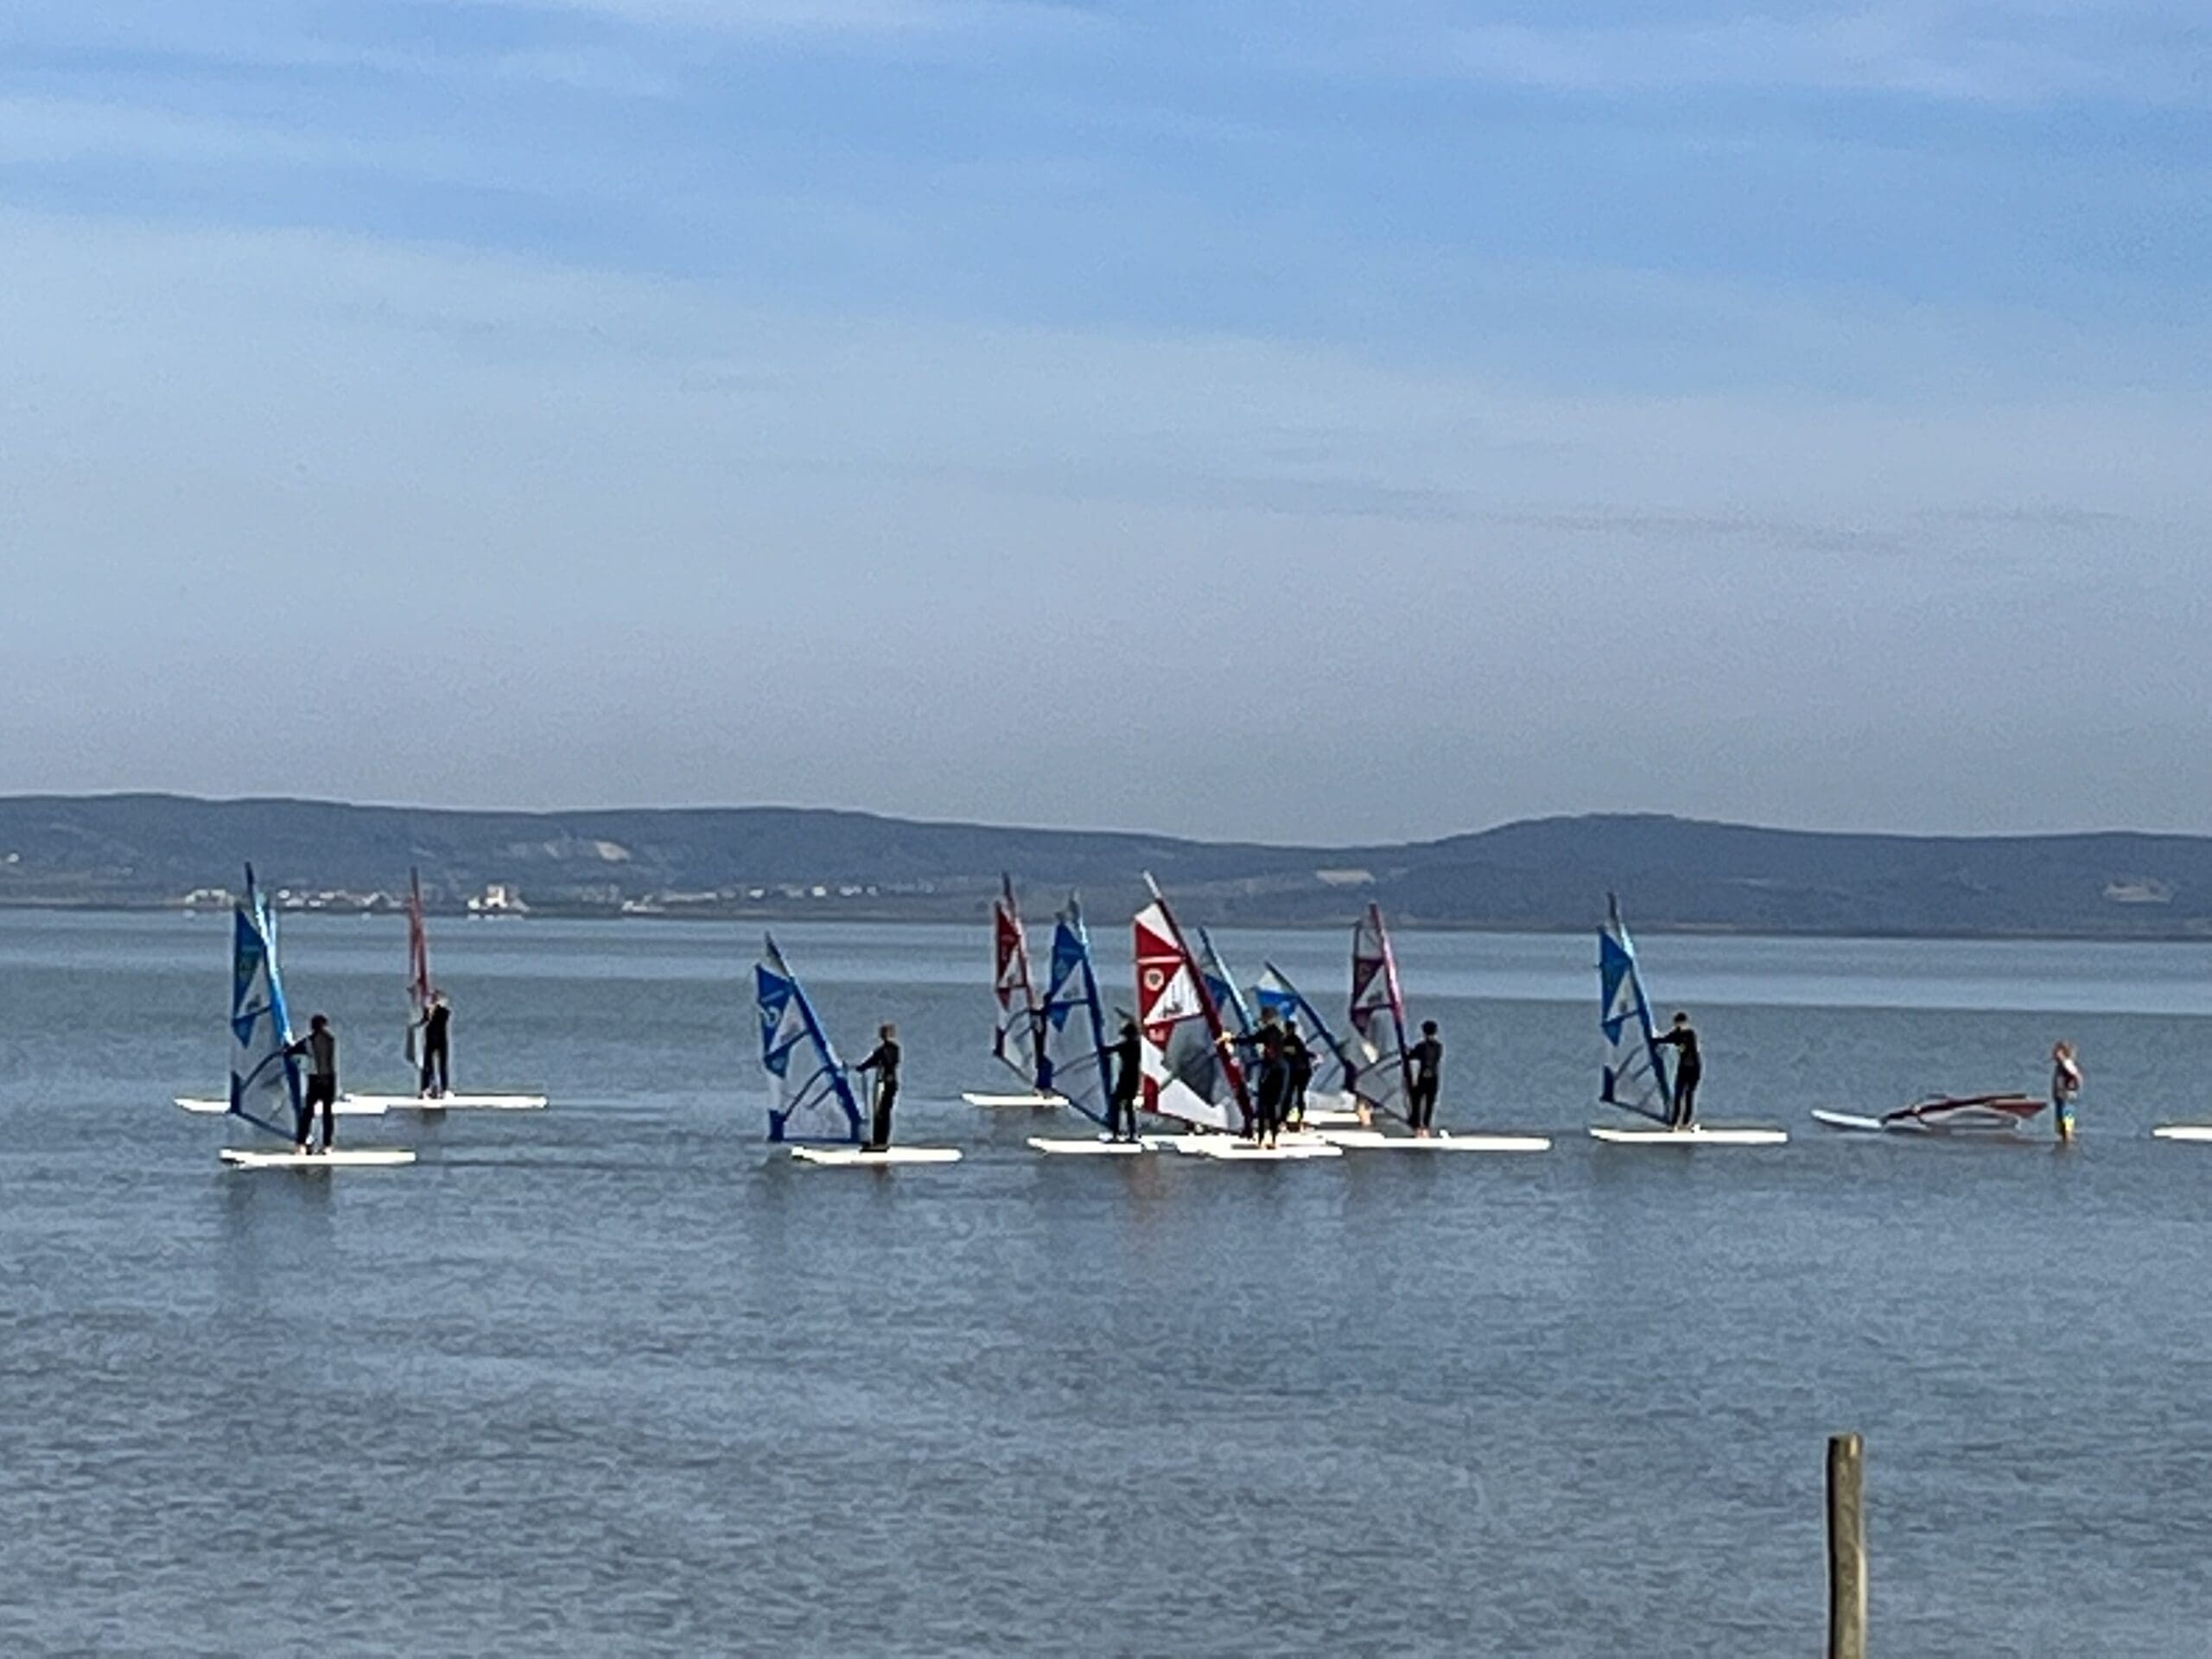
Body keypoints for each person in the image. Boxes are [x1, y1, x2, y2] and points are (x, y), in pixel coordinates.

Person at [1226, 1007, 1289, 1147]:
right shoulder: (1280, 1033)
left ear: (1267, 1018)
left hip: (1270, 1070)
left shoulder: (1268, 1032)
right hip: (1282, 1070)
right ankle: (1273, 1139)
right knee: (1273, 1106)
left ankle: (1261, 1139)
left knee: (1263, 1105)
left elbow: (1251, 1040)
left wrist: (1232, 1040)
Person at [284, 1014, 339, 1154]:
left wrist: (288, 1048)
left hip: (316, 1079)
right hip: (329, 1079)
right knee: (327, 1113)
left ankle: (301, 1143)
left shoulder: (309, 1041)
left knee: (308, 1113)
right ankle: (327, 1145)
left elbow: (290, 1051)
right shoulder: (330, 1040)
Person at [854, 1023, 901, 1151]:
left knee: (883, 1113)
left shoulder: (892, 1049)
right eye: (882, 1033)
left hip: (889, 1084)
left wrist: (878, 1060)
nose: (883, 1036)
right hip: (882, 1083)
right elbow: (870, 1062)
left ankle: (882, 1142)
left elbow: (891, 1062)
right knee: (879, 1113)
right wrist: (859, 1068)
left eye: (885, 1033)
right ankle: (877, 1141)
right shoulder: (882, 1050)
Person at [1655, 1011, 1701, 1129]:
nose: (1678, 1025)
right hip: (1683, 1069)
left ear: (1685, 1022)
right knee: (1678, 1096)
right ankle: (1674, 1123)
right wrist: (1653, 1038)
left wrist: (1679, 1044)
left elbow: (1690, 1047)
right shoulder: (1676, 1033)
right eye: (1676, 1023)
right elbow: (1663, 1040)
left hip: (1694, 1069)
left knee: (1689, 1095)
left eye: (1680, 1023)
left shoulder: (1690, 1034)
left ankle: (1686, 1123)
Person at [1107, 1018, 1142, 1142]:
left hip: (1126, 1077)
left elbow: (1108, 1050)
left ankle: (1115, 1133)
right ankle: (1132, 1133)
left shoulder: (1126, 1045)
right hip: (1134, 1078)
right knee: (1129, 1106)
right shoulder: (1138, 1046)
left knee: (1115, 1103)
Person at [1406, 1020, 1443, 1137]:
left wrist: (1407, 1052)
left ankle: (1418, 1127)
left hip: (1424, 1078)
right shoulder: (1439, 1047)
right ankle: (1425, 1128)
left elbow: (1411, 1057)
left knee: (1416, 1102)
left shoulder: (1421, 1047)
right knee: (1429, 1104)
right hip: (1433, 1078)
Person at [418, 991, 452, 1100]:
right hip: (430, 1041)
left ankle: (444, 1089)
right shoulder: (428, 1011)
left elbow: (444, 1017)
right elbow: (424, 1021)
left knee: (442, 1065)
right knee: (427, 1066)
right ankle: (426, 1088)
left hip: (441, 1041)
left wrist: (435, 1009)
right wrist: (429, 1011)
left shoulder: (443, 1012)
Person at [1283, 1016, 1313, 1131]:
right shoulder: (1295, 1040)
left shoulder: (1289, 1040)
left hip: (1295, 1072)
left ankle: (1291, 1120)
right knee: (1297, 1096)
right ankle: (1296, 1120)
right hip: (1301, 1071)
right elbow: (1303, 1053)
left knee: (1291, 1096)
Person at [2051, 1040, 2082, 1142]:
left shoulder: (2067, 1063)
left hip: (2066, 1095)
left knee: (2066, 1121)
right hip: (2060, 1095)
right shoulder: (2060, 1065)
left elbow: (2077, 1076)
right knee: (2060, 1124)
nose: (2055, 1055)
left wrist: (2075, 1088)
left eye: (2057, 1052)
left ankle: (2068, 1139)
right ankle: (2064, 1140)